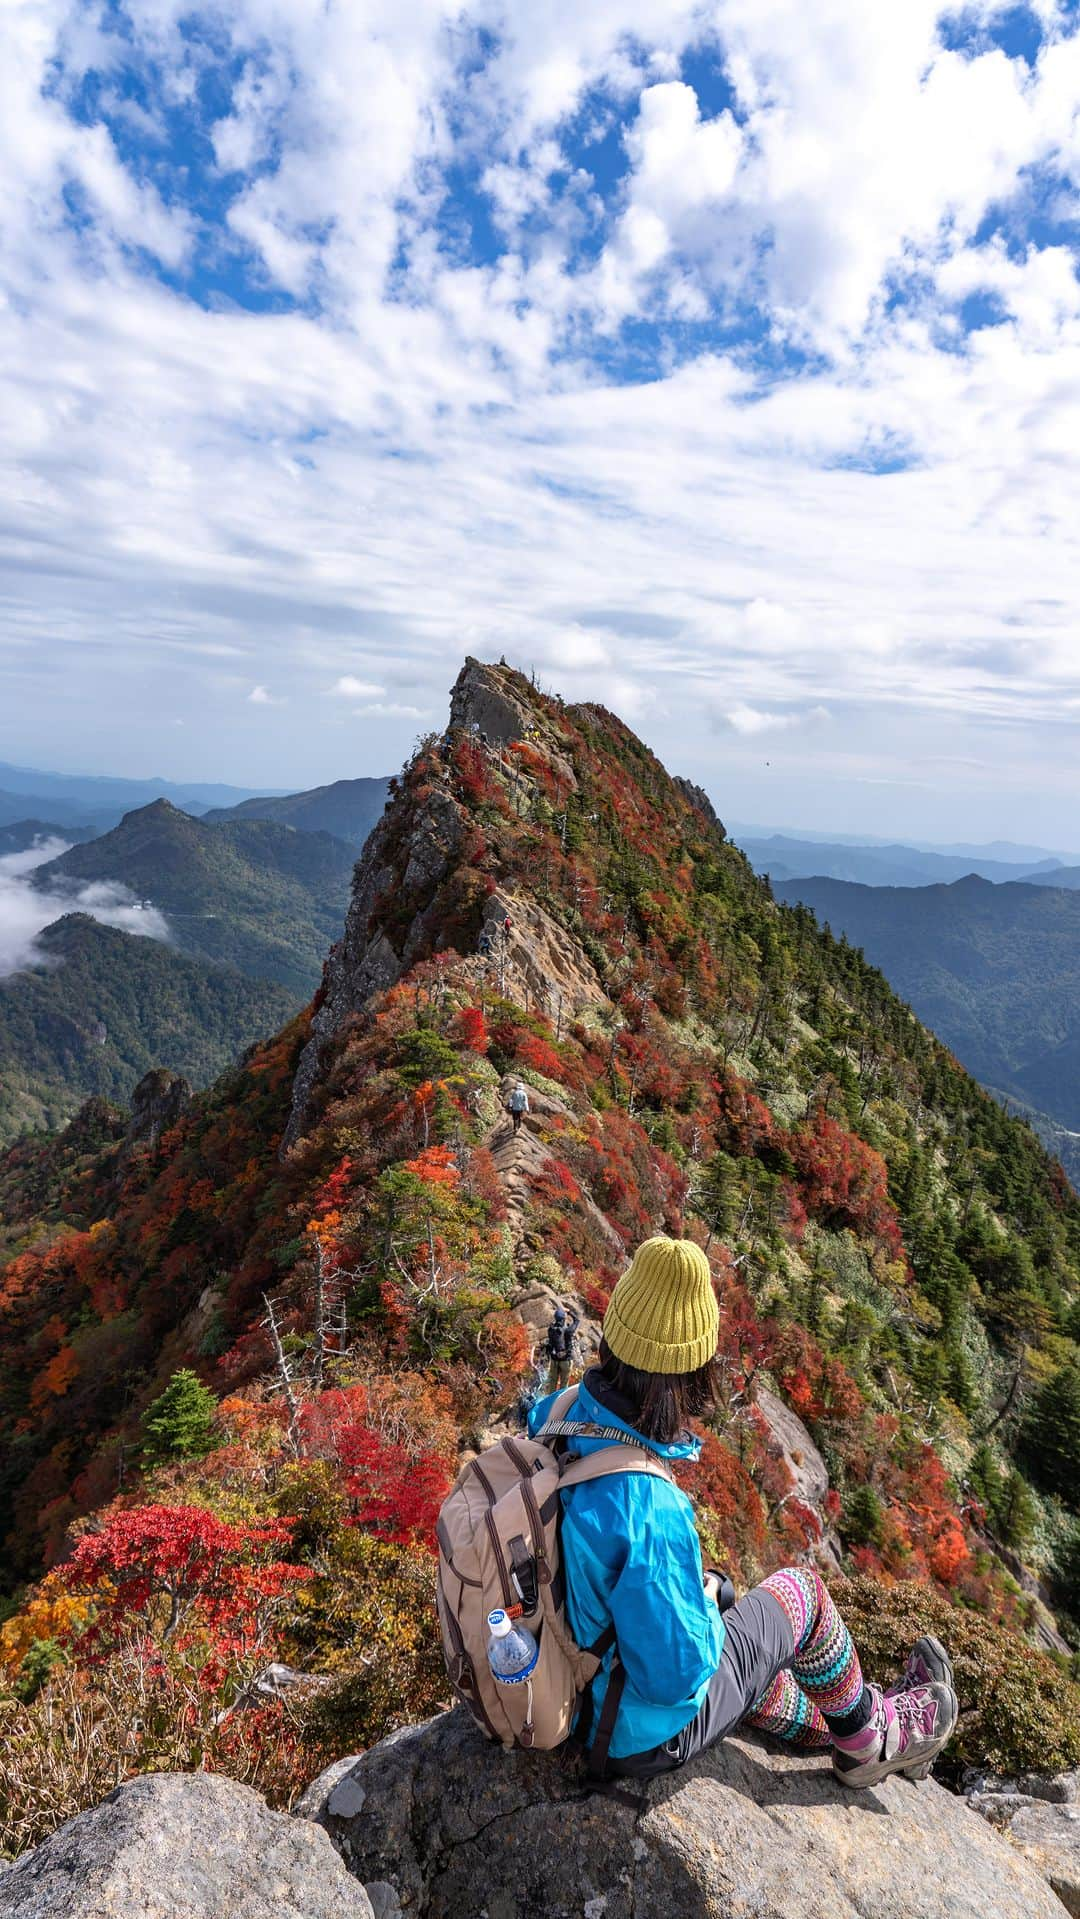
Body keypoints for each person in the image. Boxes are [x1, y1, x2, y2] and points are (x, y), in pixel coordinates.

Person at [528, 1235, 958, 1785]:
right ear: (686, 1373)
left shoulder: (557, 1413)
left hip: (565, 1676)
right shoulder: (648, 1507)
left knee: (749, 1650)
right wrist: (705, 1613)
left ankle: (847, 1719)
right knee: (800, 1597)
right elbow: (676, 1677)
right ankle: (871, 1743)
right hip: (625, 1733)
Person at [544, 1303, 580, 1394]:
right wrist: (569, 1312)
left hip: (554, 1360)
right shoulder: (568, 1330)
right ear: (564, 1319)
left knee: (552, 1383)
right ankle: (559, 1403)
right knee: (564, 1385)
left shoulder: (551, 1329)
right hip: (565, 1361)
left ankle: (549, 1401)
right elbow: (577, 1320)